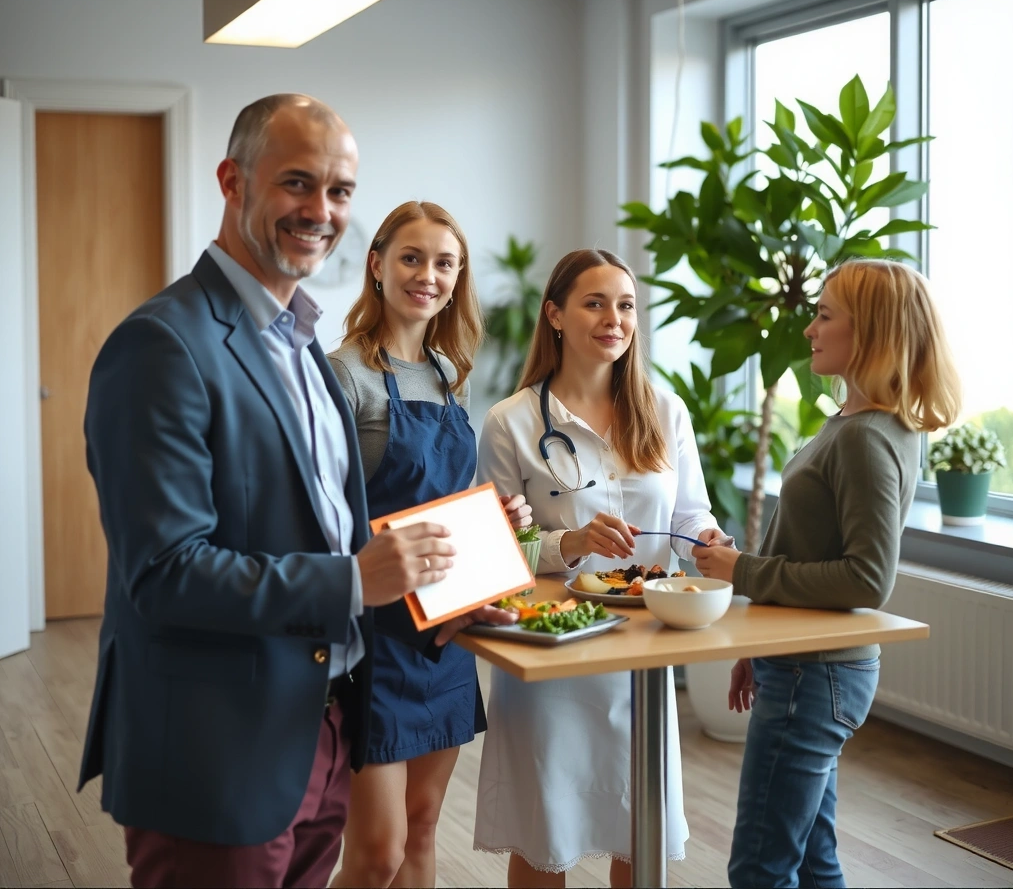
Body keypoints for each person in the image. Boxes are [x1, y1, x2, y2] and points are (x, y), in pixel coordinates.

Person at [78, 93, 512, 889]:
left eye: (340, 191)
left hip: (327, 721)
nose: (320, 210)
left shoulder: (304, 349)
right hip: (220, 749)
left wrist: (453, 587)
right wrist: (357, 580)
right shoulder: (162, 344)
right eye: (297, 184)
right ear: (232, 180)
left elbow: (337, 528)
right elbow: (165, 572)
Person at [690, 258, 962, 889]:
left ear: (866, 330)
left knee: (760, 868)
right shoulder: (854, 424)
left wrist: (743, 571)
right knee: (814, 862)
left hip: (817, 674)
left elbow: (866, 580)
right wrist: (758, 640)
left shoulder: (867, 436)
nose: (810, 329)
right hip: (803, 666)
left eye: (824, 315)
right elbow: (811, 546)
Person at [470, 248, 732, 889]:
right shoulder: (511, 423)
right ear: (555, 315)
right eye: (595, 303)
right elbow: (495, 550)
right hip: (553, 643)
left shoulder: (665, 411)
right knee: (544, 832)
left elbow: (695, 514)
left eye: (625, 305)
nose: (614, 318)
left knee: (636, 825)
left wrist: (711, 540)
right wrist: (571, 542)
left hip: (645, 645)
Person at [326, 201, 532, 889]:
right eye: (412, 258)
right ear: (377, 265)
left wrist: (496, 516)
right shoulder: (343, 373)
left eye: (445, 263)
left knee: (421, 827)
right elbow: (322, 515)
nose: (429, 275)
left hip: (441, 632)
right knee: (377, 851)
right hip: (373, 635)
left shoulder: (449, 374)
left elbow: (443, 503)